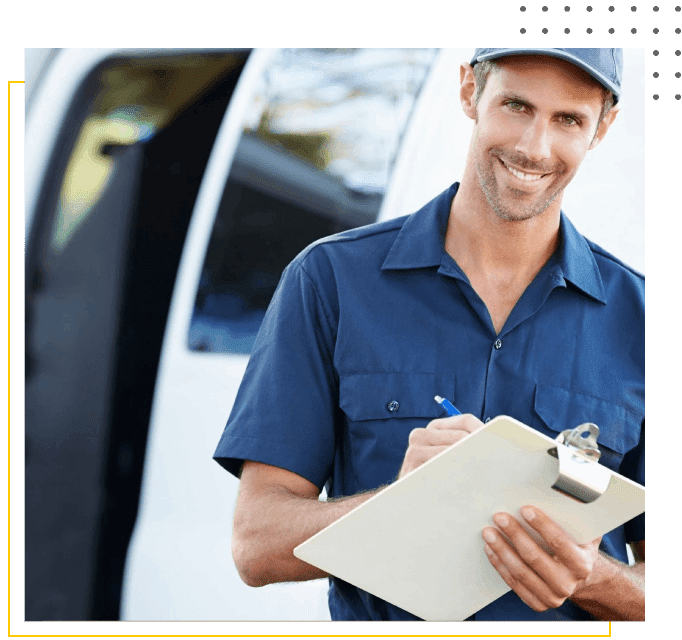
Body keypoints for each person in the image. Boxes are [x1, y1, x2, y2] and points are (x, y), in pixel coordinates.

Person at [213, 48, 645, 622]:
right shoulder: (331, 282)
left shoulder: (647, 322)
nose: (535, 148)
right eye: (515, 105)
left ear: (603, 127)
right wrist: (400, 504)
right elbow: (256, 544)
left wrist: (591, 578)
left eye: (568, 119)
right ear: (469, 91)